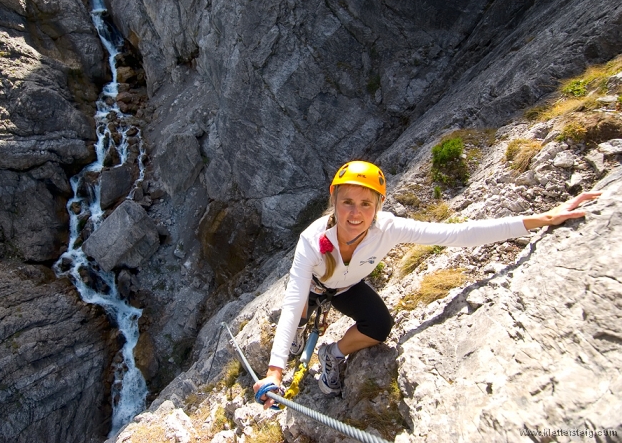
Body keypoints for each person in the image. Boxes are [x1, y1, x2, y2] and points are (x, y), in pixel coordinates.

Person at [253, 160, 601, 407]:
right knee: (297, 313)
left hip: (347, 287)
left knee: (380, 325)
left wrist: (540, 219)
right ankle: (300, 336)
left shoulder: (389, 228)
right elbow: (294, 295)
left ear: (378, 207)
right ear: (334, 201)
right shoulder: (312, 241)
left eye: (365, 204)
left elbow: (458, 234)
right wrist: (275, 371)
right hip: (315, 286)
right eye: (347, 202)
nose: (355, 214)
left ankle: (334, 353)